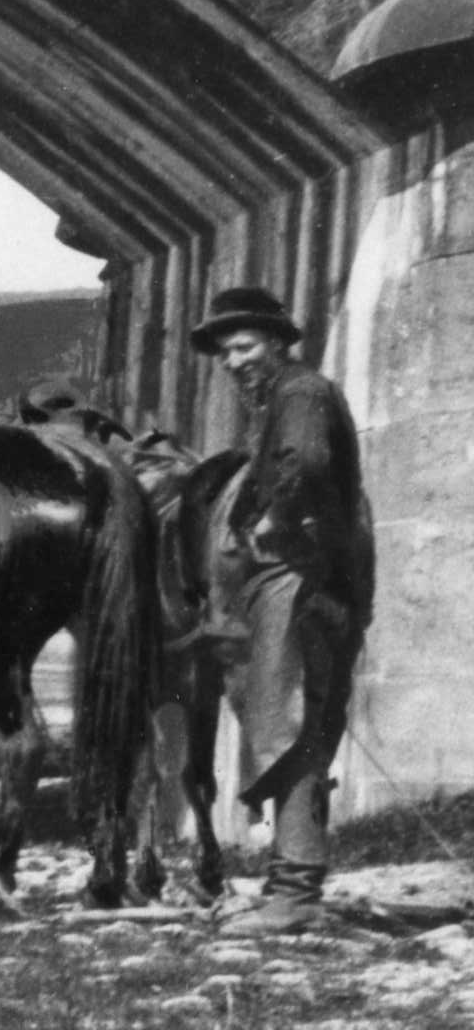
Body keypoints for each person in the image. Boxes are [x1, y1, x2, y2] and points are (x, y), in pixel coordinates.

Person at [191, 284, 374, 936]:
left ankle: (293, 896)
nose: (234, 361)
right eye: (225, 354)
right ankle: (291, 885)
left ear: (274, 342)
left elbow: (307, 460)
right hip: (306, 588)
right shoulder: (289, 399)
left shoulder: (300, 394)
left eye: (243, 347)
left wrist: (270, 518)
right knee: (299, 731)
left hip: (301, 587)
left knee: (290, 732)